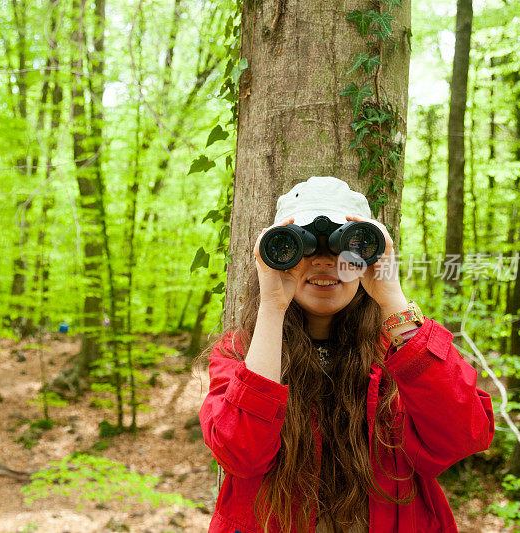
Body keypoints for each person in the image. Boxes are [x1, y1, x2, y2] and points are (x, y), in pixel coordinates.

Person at [195, 176, 495, 533]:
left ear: (370, 255)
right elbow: (241, 454)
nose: (324, 261)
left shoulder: (402, 352)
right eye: (304, 247)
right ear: (278, 255)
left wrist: (392, 298)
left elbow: (464, 435)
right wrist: (272, 307)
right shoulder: (240, 354)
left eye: (346, 246)